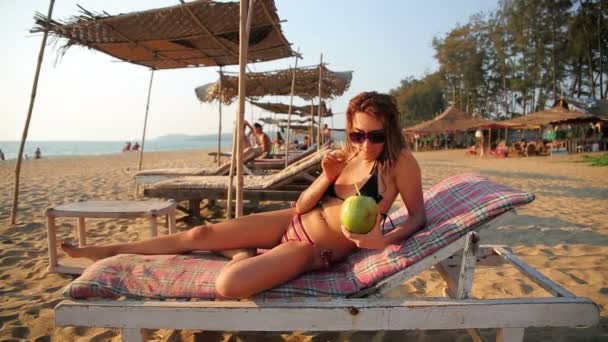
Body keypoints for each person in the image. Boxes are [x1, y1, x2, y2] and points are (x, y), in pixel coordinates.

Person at [60, 91, 426, 299]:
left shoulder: (400, 164)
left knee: (229, 283)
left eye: (375, 136)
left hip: (313, 250)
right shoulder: (346, 155)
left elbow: (417, 217)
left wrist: (383, 241)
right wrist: (324, 178)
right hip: (292, 219)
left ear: (390, 131)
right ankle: (106, 251)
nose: (366, 144)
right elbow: (302, 205)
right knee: (199, 234)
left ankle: (240, 257)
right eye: (358, 135)